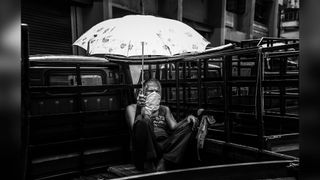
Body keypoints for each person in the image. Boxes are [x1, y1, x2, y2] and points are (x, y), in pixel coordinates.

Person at [126, 78, 198, 172]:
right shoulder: (132, 108)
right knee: (143, 121)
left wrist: (187, 120)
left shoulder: (164, 109)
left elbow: (174, 127)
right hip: (145, 149)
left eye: (157, 91)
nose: (154, 93)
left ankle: (165, 160)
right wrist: (140, 109)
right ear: (143, 92)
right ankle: (149, 161)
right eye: (151, 91)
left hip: (164, 145)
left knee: (190, 125)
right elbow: (135, 129)